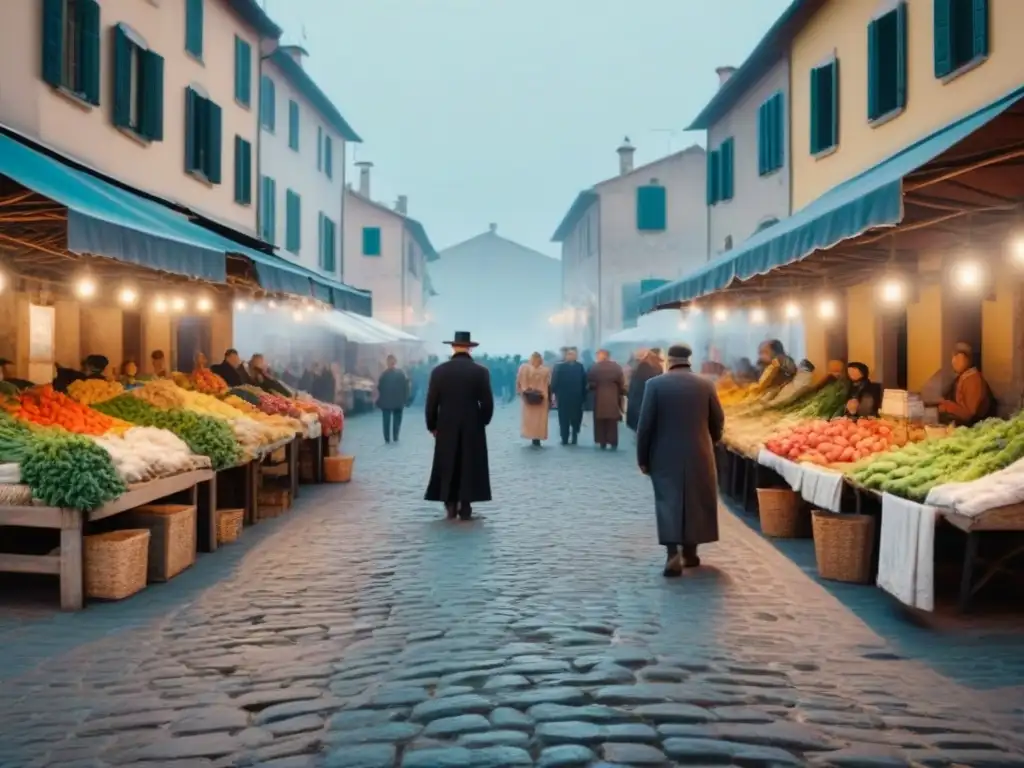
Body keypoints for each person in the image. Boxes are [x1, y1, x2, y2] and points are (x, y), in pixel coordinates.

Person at [636, 343, 725, 577]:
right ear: (688, 359)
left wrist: (643, 458)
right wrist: (711, 440)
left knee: (669, 501)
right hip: (699, 452)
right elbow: (718, 420)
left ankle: (672, 552)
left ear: (669, 360)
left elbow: (645, 426)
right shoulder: (706, 384)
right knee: (696, 499)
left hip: (664, 453)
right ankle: (691, 552)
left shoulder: (654, 385)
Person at [425, 332, 494, 521]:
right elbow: (487, 402)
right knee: (469, 463)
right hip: (472, 423)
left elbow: (431, 402)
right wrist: (483, 421)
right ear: (470, 348)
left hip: (446, 423)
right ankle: (466, 503)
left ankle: (450, 502)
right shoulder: (481, 372)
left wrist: (432, 424)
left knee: (448, 462)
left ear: (453, 348)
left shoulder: (439, 371)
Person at [938, 342, 995, 427]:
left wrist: (948, 406)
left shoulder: (973, 380)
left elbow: (969, 415)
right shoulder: (961, 377)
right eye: (953, 357)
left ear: (968, 360)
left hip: (975, 427)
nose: (954, 362)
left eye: (958, 358)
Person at [588, 349, 625, 450]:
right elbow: (621, 382)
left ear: (600, 356)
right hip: (613, 396)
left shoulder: (595, 368)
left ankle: (602, 441)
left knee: (600, 421)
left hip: (599, 397)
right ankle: (613, 441)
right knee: (612, 422)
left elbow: (590, 383)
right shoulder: (616, 367)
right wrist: (621, 392)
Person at [551, 347, 587, 445]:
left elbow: (584, 382)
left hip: (576, 397)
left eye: (573, 355)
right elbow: (554, 382)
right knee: (564, 419)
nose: (571, 356)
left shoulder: (580, 367)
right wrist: (553, 393)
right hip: (564, 397)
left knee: (576, 418)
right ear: (566, 356)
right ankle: (565, 438)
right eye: (569, 355)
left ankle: (574, 435)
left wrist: (584, 396)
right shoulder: (559, 367)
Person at [516, 352, 552, 447]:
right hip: (542, 396)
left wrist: (522, 392)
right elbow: (549, 384)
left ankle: (532, 435)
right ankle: (538, 436)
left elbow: (519, 382)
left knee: (530, 418)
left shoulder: (524, 368)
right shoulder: (546, 370)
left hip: (529, 396)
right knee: (540, 419)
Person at [626, 348, 663, 433]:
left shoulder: (643, 367)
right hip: (646, 397)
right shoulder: (652, 366)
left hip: (640, 397)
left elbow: (635, 384)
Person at [377, 355, 410, 444]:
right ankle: (395, 436)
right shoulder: (401, 374)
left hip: (386, 402)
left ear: (387, 363)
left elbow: (379, 387)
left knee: (386, 421)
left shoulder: (383, 375)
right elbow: (406, 387)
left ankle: (387, 438)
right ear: (395, 362)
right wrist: (405, 399)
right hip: (398, 401)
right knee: (397, 420)